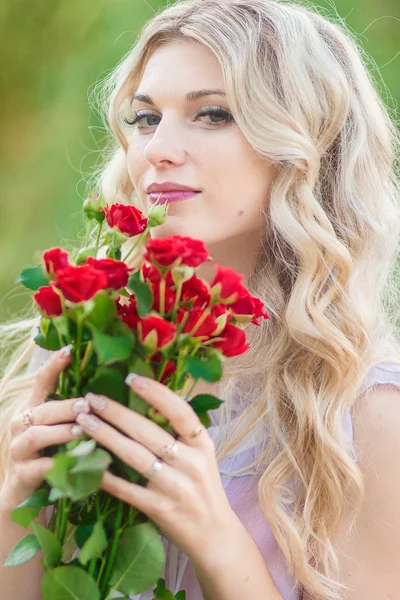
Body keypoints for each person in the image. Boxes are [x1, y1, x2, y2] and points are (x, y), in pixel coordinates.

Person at [1, 0, 400, 598]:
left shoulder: (366, 412)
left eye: (212, 114)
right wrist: (17, 492)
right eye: (144, 118)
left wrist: (215, 536)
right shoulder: (86, 340)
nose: (157, 148)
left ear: (303, 145)